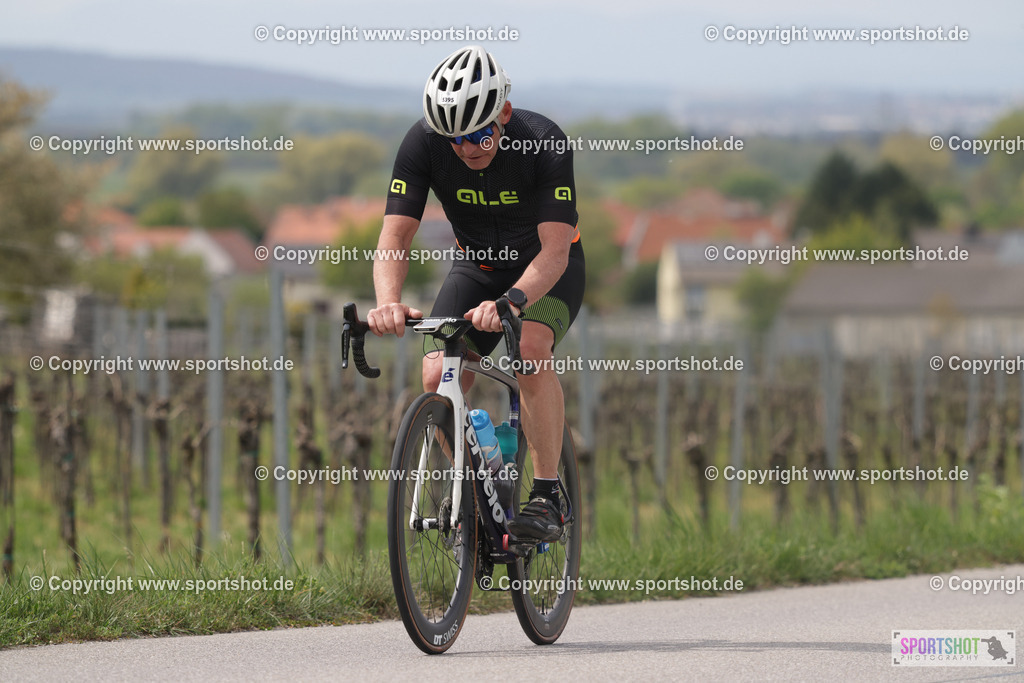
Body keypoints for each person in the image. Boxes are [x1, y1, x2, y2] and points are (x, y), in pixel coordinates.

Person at [368, 45, 585, 542]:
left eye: (480, 133)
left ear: (504, 113)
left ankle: (548, 495)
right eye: (455, 139)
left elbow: (553, 250)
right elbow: (395, 236)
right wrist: (387, 302)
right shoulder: (422, 145)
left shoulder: (543, 142)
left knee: (529, 350)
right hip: (477, 266)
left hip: (548, 269)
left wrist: (512, 300)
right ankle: (480, 478)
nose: (467, 148)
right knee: (435, 372)